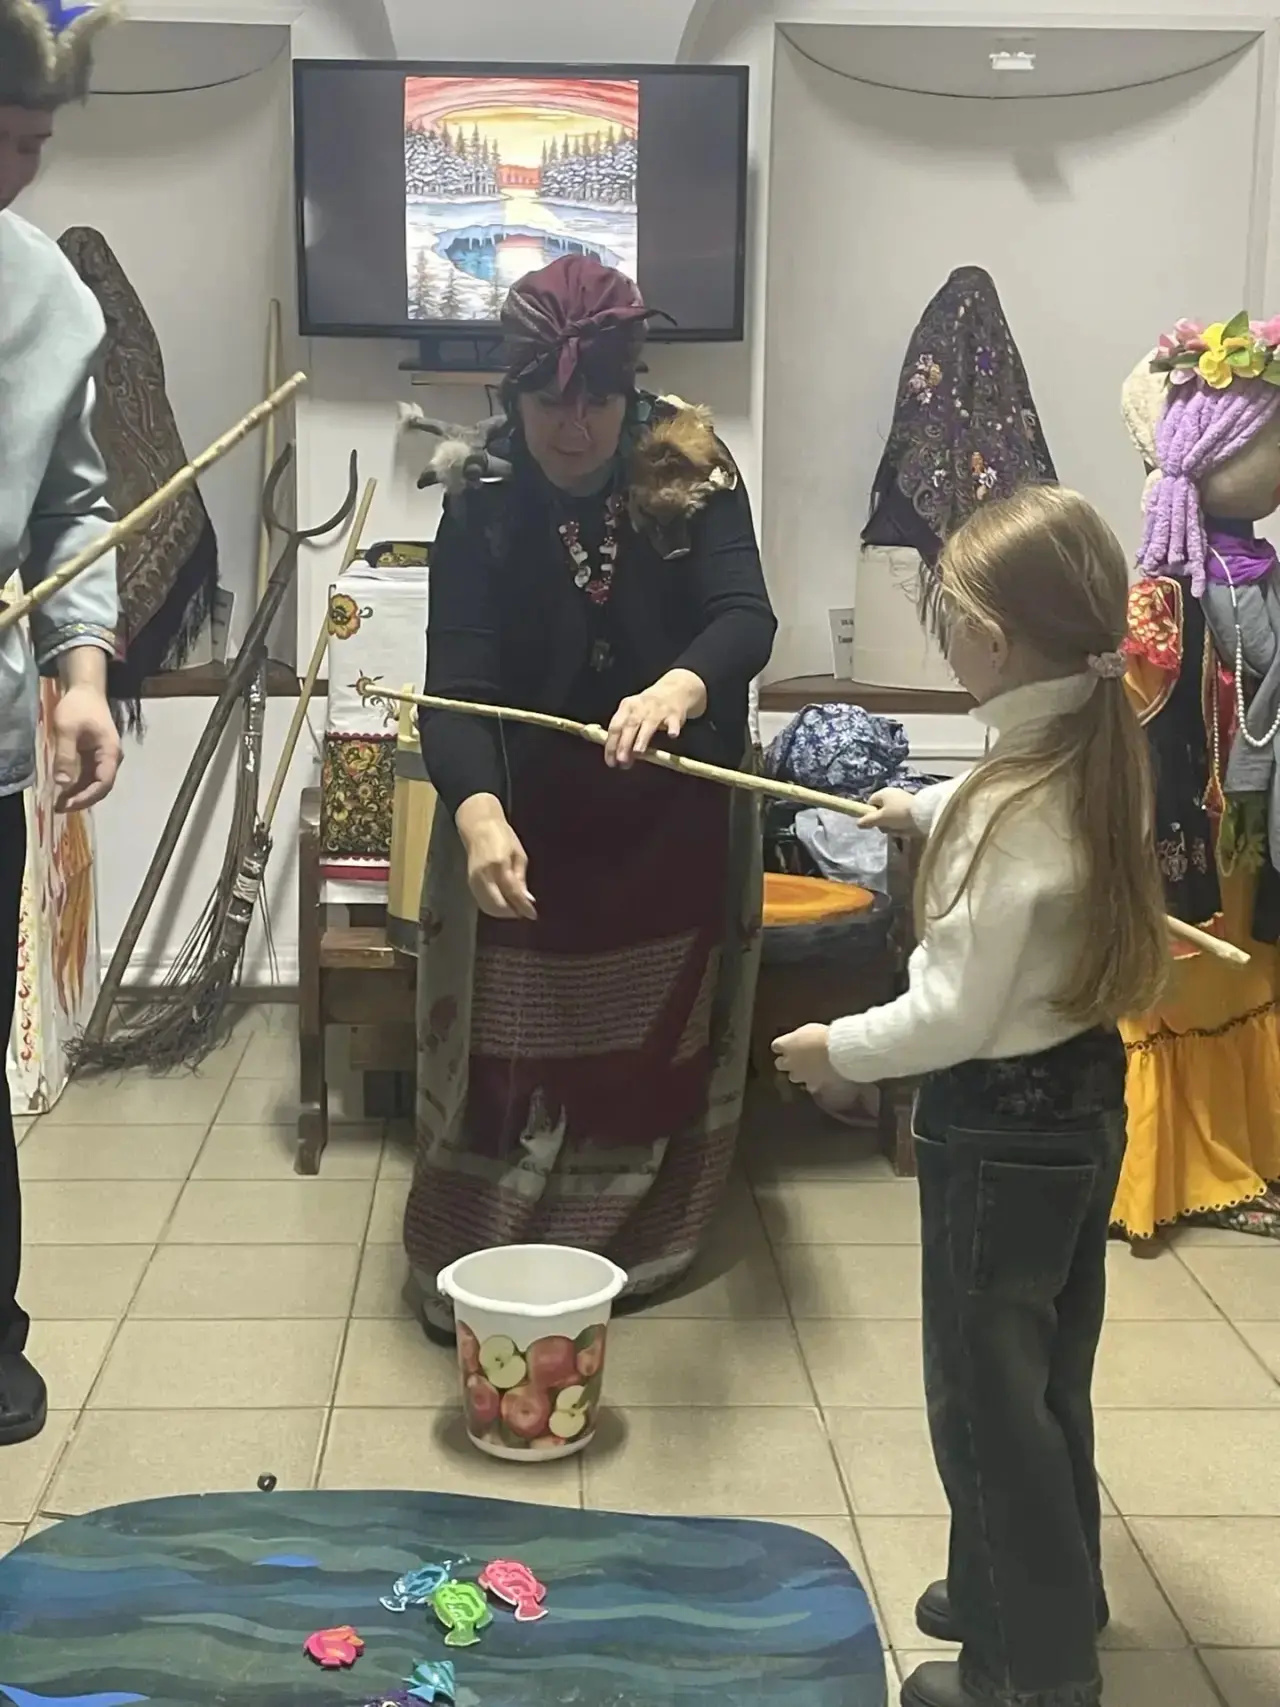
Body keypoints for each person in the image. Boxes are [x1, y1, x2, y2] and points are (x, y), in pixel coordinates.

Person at [774, 485, 1168, 1707]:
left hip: (998, 1129)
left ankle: (1021, 1672)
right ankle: (1039, 1588)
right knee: (1042, 1375)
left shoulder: (1009, 817)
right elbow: (1004, 800)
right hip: (1082, 1105)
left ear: (989, 642)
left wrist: (833, 1048)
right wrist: (917, 807)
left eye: (947, 617)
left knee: (983, 1403)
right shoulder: (1089, 750)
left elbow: (945, 1015)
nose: (940, 635)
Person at [403, 255, 775, 1333]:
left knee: (655, 1044)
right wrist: (477, 817)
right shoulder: (481, 497)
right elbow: (455, 692)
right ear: (512, 394)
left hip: (671, 806)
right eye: (550, 404)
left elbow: (744, 615)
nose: (574, 428)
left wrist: (678, 685)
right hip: (528, 818)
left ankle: (639, 1245)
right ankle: (487, 1259)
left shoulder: (688, 466)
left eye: (599, 402)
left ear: (630, 389)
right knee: (515, 1052)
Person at [1, 0, 122, 1445]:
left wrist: (80, 671)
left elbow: (76, 509)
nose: (18, 170)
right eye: (3, 137)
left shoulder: (46, 296)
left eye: (34, 143)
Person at [1114, 336, 1280, 1243]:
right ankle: (1174, 1173)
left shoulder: (1260, 573)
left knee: (1248, 976)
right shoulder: (1161, 590)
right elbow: (1134, 716)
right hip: (1184, 828)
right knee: (1178, 991)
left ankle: (1244, 1152)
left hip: (1250, 825)